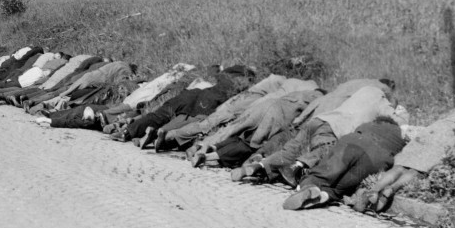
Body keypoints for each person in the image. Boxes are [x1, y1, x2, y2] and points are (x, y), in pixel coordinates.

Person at [232, 84, 407, 186]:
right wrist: (400, 112)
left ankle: (257, 167)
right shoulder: (384, 103)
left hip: (319, 119)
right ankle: (295, 169)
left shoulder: (365, 90)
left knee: (290, 150)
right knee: (324, 150)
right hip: (335, 128)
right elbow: (395, 123)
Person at [157, 76, 319, 152]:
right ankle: (203, 146)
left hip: (243, 100)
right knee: (229, 128)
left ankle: (171, 135)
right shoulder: (309, 90)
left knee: (210, 122)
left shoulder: (281, 80)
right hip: (260, 106)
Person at [282, 116, 406, 210]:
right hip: (378, 158)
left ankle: (310, 186)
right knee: (339, 190)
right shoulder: (400, 137)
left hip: (354, 143)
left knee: (323, 174)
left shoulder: (370, 124)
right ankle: (325, 195)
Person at [113, 66, 255, 146]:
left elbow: (214, 73)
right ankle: (157, 135)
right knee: (190, 121)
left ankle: (129, 132)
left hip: (192, 93)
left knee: (161, 115)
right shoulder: (243, 83)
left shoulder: (221, 75)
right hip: (210, 99)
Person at [189, 88, 324, 168]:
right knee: (251, 145)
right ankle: (207, 157)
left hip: (264, 105)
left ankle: (208, 146)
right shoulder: (318, 98)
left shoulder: (300, 91)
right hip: (276, 114)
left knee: (240, 135)